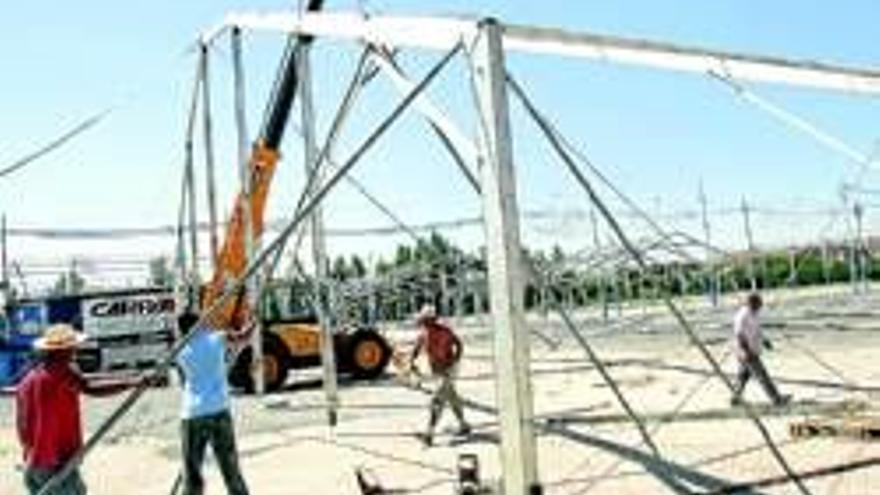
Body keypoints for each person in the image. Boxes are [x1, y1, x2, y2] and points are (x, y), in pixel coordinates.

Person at [15, 324, 141, 495]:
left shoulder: (29, 379)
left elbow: (20, 423)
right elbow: (91, 388)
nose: (75, 351)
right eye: (72, 347)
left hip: (34, 463)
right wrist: (131, 383)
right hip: (56, 464)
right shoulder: (62, 371)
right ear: (63, 350)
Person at [175, 311, 249, 495]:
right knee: (230, 467)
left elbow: (185, 381)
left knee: (192, 472)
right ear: (199, 324)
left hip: (192, 413)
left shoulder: (180, 351)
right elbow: (243, 337)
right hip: (218, 409)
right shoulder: (217, 338)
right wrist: (253, 322)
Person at [409, 304, 470, 447]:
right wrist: (412, 362)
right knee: (451, 396)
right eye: (423, 321)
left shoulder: (445, 332)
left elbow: (458, 344)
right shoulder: (423, 334)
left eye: (426, 321)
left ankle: (429, 433)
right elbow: (416, 349)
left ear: (432, 320)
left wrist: (456, 359)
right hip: (437, 371)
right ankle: (464, 424)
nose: (424, 324)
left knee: (437, 399)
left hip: (449, 369)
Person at [730, 293, 791, 407]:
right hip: (746, 352)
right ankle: (776, 399)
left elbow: (757, 330)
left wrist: (764, 341)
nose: (761, 305)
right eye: (759, 303)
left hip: (752, 349)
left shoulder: (754, 314)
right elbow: (739, 335)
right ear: (752, 303)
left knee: (743, 376)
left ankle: (735, 398)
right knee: (762, 376)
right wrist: (747, 351)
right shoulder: (742, 316)